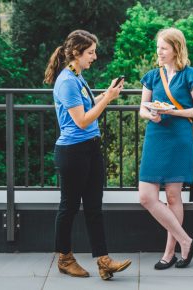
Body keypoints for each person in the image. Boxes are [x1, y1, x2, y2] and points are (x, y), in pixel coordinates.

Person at [44, 30, 131, 280]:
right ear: (76, 53)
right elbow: (81, 120)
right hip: (73, 152)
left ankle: (104, 261)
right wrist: (109, 100)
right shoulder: (67, 81)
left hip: (90, 148)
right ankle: (64, 258)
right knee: (69, 207)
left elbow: (88, 109)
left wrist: (107, 94)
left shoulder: (77, 76)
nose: (94, 56)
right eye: (90, 52)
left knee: (94, 208)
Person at [138, 28, 193, 270]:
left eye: (164, 48)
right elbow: (142, 109)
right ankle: (186, 241)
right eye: (158, 47)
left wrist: (172, 112)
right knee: (146, 196)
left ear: (176, 49)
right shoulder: (152, 76)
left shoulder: (191, 75)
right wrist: (152, 115)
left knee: (172, 196)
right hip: (156, 136)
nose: (159, 52)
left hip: (179, 137)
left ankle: (169, 253)